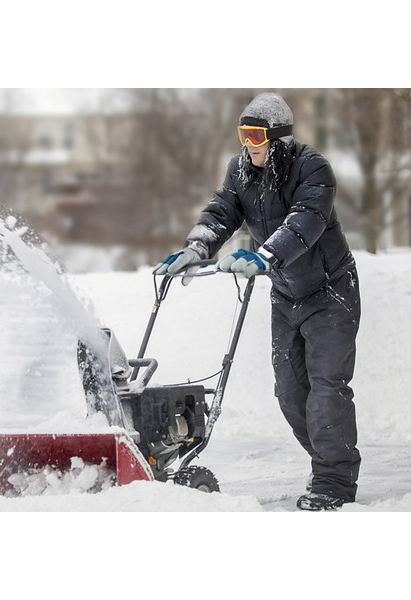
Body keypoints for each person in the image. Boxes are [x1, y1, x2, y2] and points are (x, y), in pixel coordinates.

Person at [154, 92, 361, 511]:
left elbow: (306, 221)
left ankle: (334, 481)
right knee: (289, 391)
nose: (247, 144)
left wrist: (264, 256)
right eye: (242, 134)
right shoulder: (241, 170)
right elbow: (221, 212)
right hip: (286, 293)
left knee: (326, 388)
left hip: (331, 290)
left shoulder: (313, 167)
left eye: (255, 135)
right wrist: (197, 247)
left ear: (278, 137)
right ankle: (327, 462)